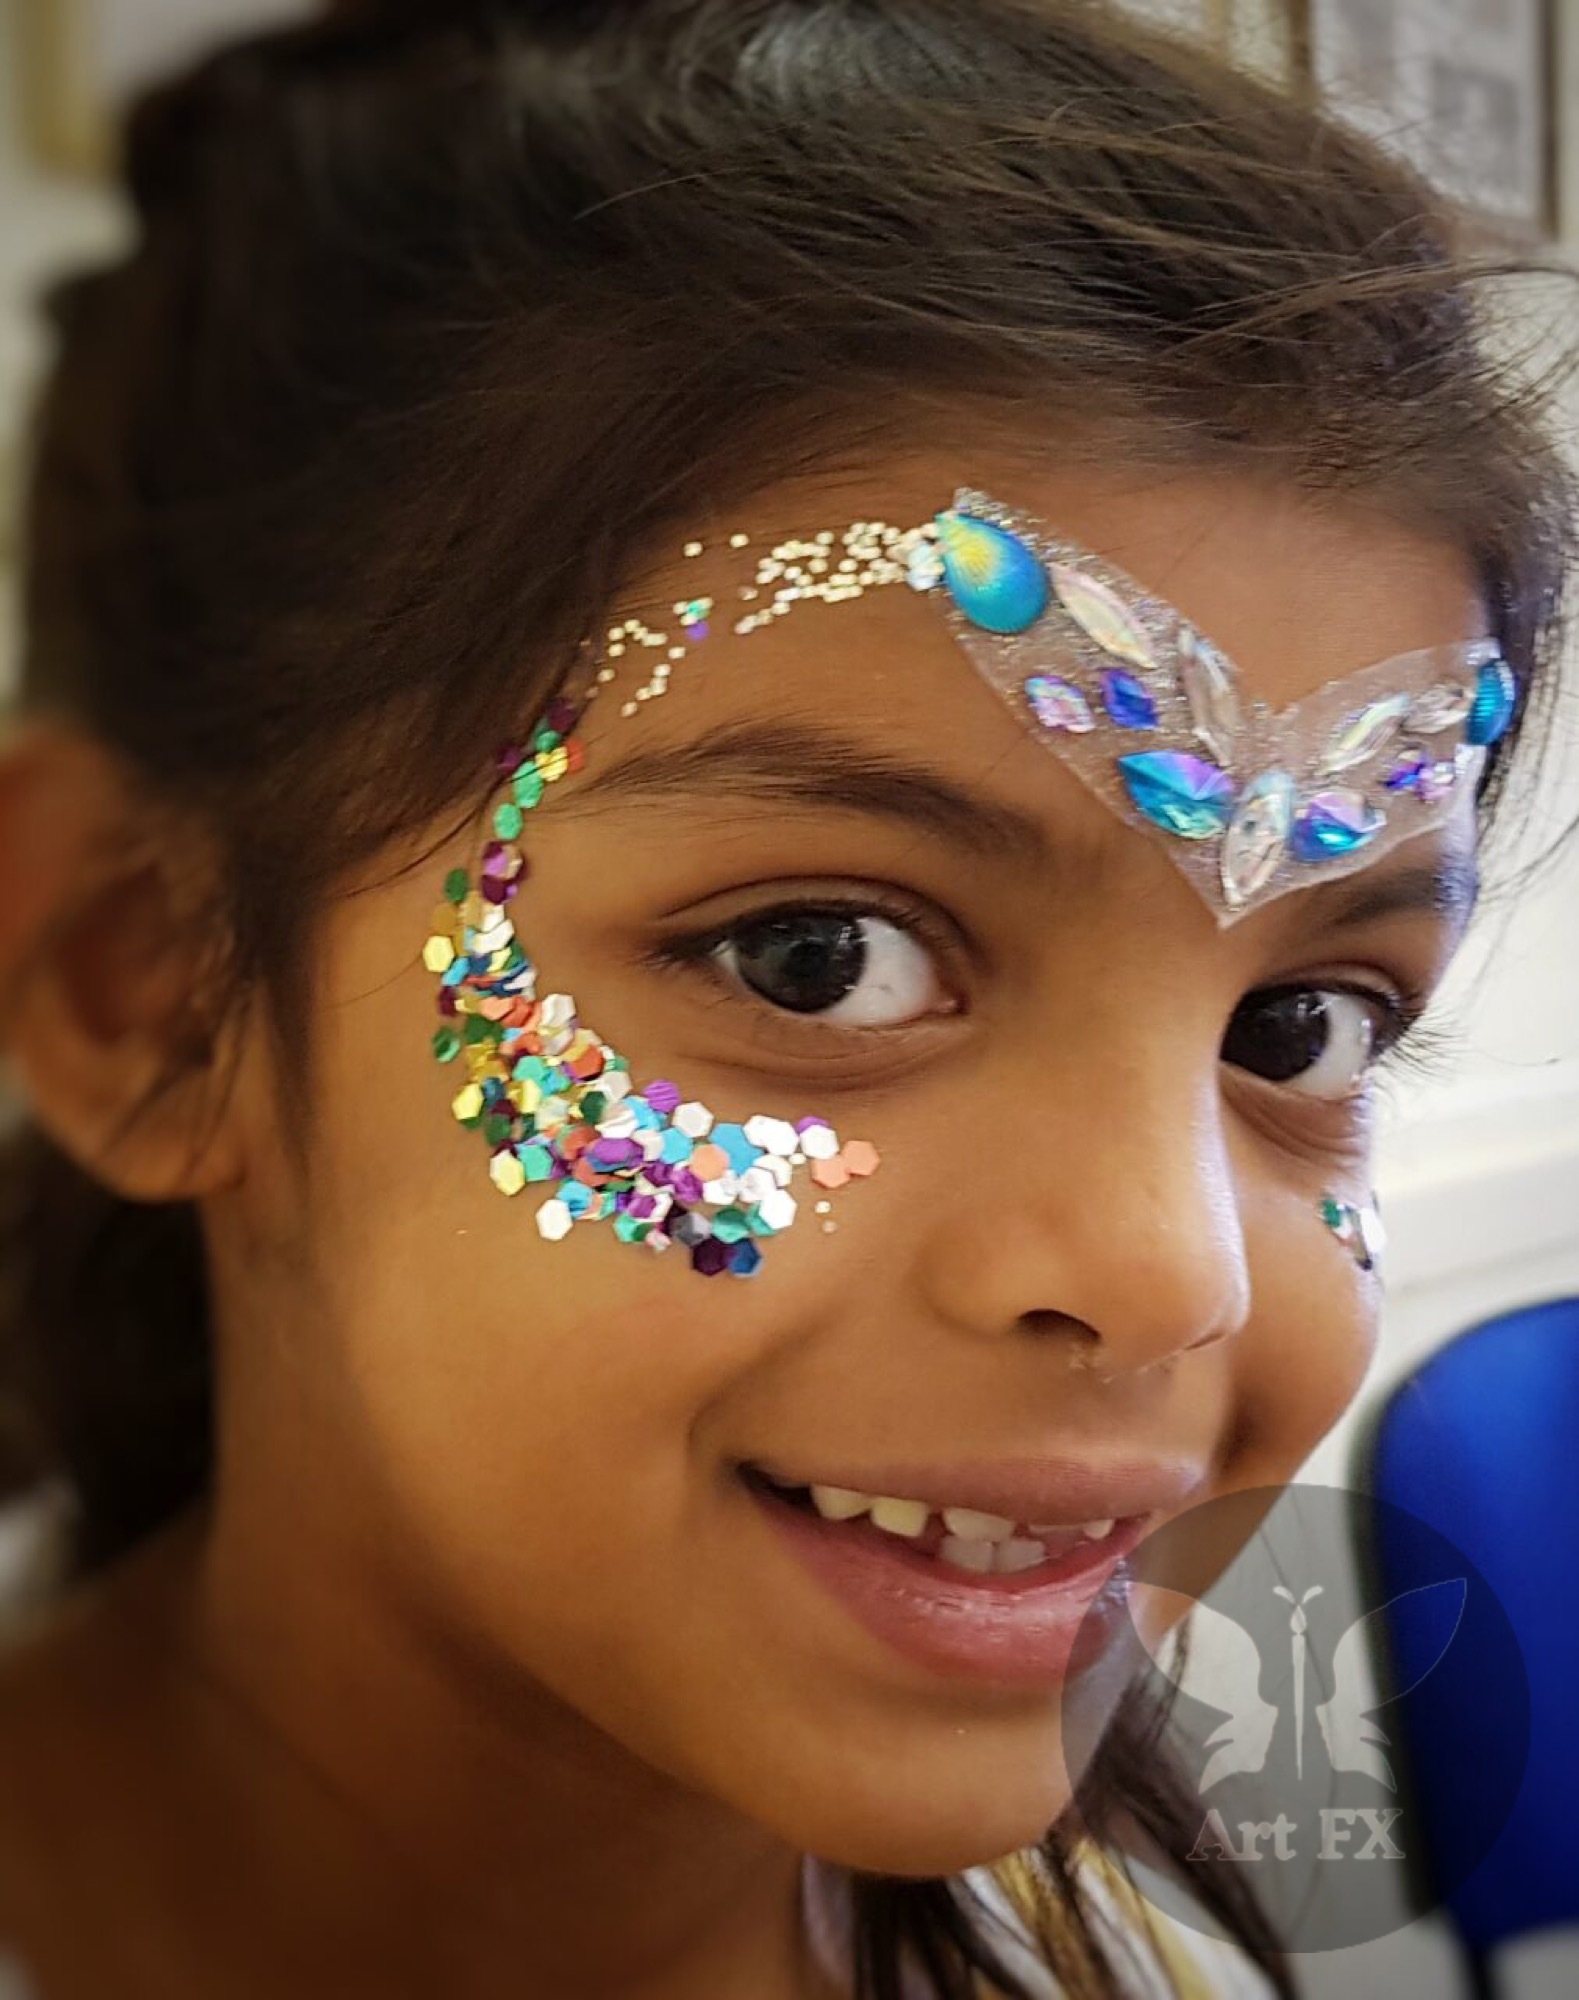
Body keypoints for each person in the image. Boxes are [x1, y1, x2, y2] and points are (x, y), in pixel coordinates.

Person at [0, 2, 1571, 1994]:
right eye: (817, 957)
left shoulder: (1134, 1954)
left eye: (1302, 1029)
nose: (1176, 1272)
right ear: (152, 990)